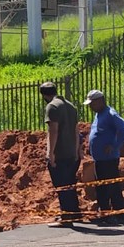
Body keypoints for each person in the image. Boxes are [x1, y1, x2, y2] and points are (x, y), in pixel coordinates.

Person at [84, 89, 124, 224]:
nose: (90, 107)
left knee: (112, 187)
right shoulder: (99, 114)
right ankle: (105, 214)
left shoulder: (110, 114)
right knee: (101, 188)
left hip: (109, 159)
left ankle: (119, 215)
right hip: (99, 160)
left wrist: (115, 146)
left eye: (92, 103)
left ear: (100, 101)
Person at [40, 81, 81, 227]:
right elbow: (76, 130)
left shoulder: (52, 107)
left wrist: (50, 153)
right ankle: (75, 214)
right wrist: (77, 150)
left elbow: (53, 131)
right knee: (70, 185)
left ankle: (66, 218)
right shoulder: (70, 106)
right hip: (71, 153)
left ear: (44, 95)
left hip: (60, 154)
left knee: (62, 187)